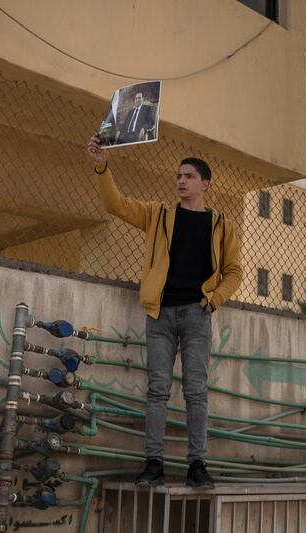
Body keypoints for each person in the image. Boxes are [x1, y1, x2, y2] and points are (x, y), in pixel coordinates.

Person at [86, 136, 242, 488]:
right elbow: (116, 204)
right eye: (179, 176)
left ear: (205, 184)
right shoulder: (159, 216)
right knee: (157, 390)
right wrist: (101, 163)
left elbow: (234, 270)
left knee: (195, 392)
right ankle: (153, 464)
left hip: (197, 315)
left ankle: (196, 465)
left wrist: (215, 299)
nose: (181, 181)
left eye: (188, 176)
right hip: (160, 315)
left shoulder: (221, 226)